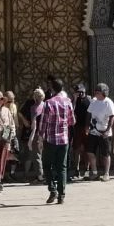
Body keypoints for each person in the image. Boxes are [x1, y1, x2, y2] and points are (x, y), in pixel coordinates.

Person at [39, 77, 74, 205]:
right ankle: (62, 195)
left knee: (47, 165)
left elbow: (43, 123)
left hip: (50, 139)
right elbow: (72, 121)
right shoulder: (68, 102)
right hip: (64, 139)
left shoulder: (48, 103)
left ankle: (52, 189)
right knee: (62, 167)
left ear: (52, 89)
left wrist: (40, 136)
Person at [86, 82, 114, 180]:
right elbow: (89, 114)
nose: (95, 93)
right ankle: (94, 172)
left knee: (105, 154)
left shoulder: (108, 102)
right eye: (95, 91)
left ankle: (106, 173)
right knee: (90, 152)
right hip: (93, 131)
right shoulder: (94, 101)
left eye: (98, 92)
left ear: (103, 93)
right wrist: (87, 126)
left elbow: (112, 116)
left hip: (104, 132)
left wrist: (107, 130)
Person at [19, 87, 44, 184]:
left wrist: (31, 138)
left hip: (37, 133)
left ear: (35, 97)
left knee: (36, 155)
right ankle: (45, 175)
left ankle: (40, 177)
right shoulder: (46, 105)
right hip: (46, 133)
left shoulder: (34, 108)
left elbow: (34, 125)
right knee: (43, 155)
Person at [71, 82, 92, 180]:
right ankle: (77, 169)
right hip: (77, 127)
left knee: (87, 149)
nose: (80, 94)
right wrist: (75, 99)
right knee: (77, 149)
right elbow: (71, 111)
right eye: (78, 92)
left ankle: (87, 169)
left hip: (87, 127)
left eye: (82, 92)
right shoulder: (75, 101)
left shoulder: (89, 99)